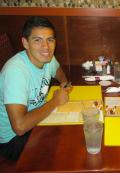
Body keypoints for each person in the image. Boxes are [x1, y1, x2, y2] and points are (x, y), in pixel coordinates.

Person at [0, 16, 71, 160]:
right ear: (25, 43)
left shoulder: (47, 58)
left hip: (35, 121)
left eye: (50, 40)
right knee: (63, 150)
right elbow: (19, 127)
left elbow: (56, 69)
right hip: (12, 140)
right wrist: (54, 102)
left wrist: (63, 82)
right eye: (37, 40)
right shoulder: (16, 72)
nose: (46, 46)